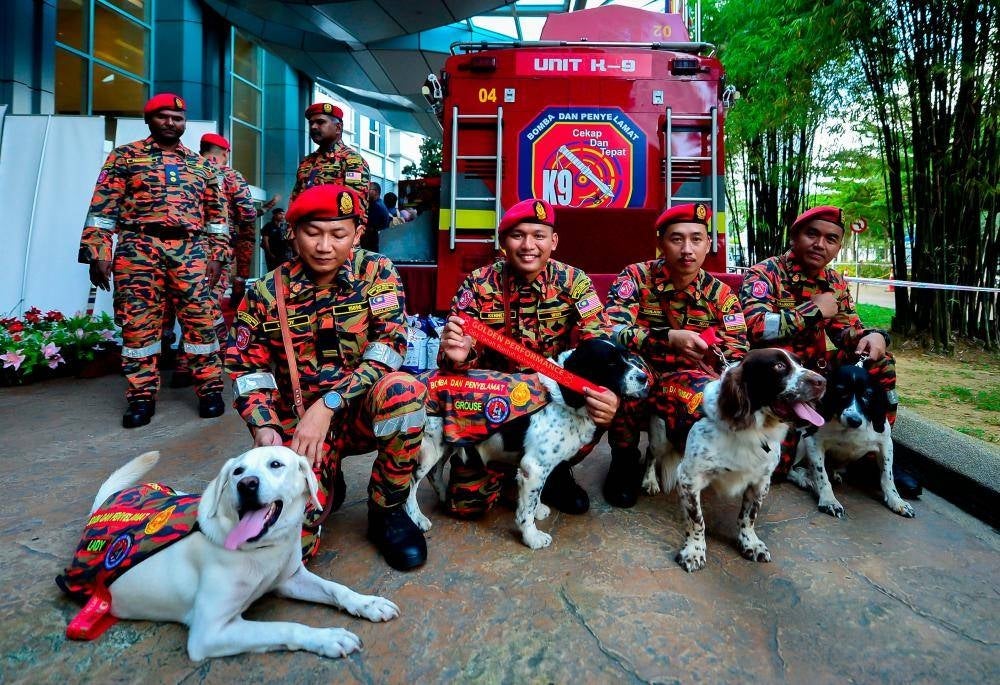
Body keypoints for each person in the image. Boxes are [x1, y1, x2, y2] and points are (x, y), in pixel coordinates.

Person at [226, 184, 429, 571]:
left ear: (357, 232)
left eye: (338, 234)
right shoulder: (267, 293)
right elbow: (246, 369)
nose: (324, 246)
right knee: (288, 554)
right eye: (312, 232)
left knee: (404, 393)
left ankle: (387, 507)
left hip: (357, 412)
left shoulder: (376, 273)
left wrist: (329, 404)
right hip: (300, 427)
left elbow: (388, 347)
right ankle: (325, 478)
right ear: (293, 232)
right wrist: (264, 428)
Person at [438, 198, 620, 515]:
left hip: (548, 407)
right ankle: (491, 462)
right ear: (503, 242)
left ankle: (553, 465)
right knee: (467, 506)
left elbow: (600, 341)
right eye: (517, 235)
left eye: (538, 235)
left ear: (554, 241)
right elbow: (450, 364)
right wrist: (458, 355)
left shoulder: (574, 282)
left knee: (602, 403)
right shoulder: (479, 285)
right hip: (494, 410)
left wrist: (606, 393)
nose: (528, 245)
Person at [739, 205, 920, 497]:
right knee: (778, 469)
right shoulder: (765, 274)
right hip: (776, 378)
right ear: (795, 237)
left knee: (881, 363)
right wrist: (813, 310)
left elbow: (848, 332)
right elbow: (755, 326)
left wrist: (873, 336)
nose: (820, 244)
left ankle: (875, 454)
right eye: (812, 234)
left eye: (831, 238)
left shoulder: (835, 282)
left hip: (817, 369)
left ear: (838, 246)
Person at [79, 93, 227, 428]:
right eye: (163, 117)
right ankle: (141, 397)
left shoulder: (202, 166)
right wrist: (98, 252)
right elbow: (103, 209)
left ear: (184, 123)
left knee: (200, 321)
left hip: (190, 250)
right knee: (138, 324)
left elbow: (218, 217)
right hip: (137, 248)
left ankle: (210, 389)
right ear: (149, 119)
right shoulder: (125, 157)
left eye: (177, 118)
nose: (171, 123)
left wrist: (218, 254)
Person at [604, 203, 749, 507]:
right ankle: (624, 461)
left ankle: (698, 460)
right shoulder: (637, 277)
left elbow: (738, 349)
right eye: (676, 239)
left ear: (708, 244)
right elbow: (612, 329)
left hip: (692, 376)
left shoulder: (721, 294)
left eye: (696, 239)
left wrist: (711, 353)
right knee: (627, 378)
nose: (687, 249)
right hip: (646, 366)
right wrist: (666, 338)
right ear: (660, 244)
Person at [169, 132, 266, 389]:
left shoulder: (185, 169)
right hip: (215, 255)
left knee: (189, 309)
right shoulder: (231, 177)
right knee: (208, 309)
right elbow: (246, 217)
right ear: (225, 153)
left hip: (180, 253)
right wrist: (242, 270)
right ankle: (213, 358)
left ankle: (183, 364)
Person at [291, 102, 370, 238]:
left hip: (336, 242)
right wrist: (293, 237)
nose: (314, 127)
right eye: (311, 123)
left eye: (320, 122)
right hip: (304, 240)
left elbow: (356, 207)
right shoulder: (306, 162)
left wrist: (345, 242)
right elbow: (295, 201)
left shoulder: (352, 161)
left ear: (338, 128)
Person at [363, 181, 391, 252]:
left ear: (375, 192)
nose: (366, 191)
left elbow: (371, 227)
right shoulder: (380, 203)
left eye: (368, 189)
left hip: (372, 244)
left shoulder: (375, 206)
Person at [261, 207, 291, 271]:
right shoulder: (268, 226)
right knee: (273, 273)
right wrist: (269, 253)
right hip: (273, 254)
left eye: (283, 214)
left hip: (284, 254)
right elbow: (265, 241)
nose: (282, 216)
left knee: (284, 273)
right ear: (274, 215)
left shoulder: (285, 226)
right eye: (280, 214)